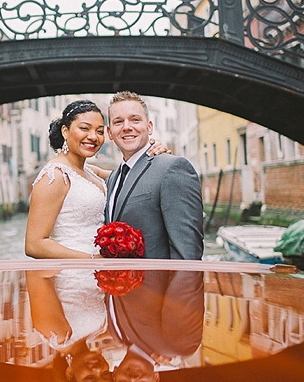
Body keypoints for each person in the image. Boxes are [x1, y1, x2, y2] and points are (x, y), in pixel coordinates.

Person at [25, 100, 170, 259]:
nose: (93, 137)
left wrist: (154, 156)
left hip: (101, 274)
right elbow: (34, 245)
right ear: (65, 131)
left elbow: (133, 176)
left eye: (100, 131)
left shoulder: (91, 172)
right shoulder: (54, 175)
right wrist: (93, 260)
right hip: (74, 274)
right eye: (84, 128)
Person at [105, 91, 204, 260]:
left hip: (157, 285)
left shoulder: (173, 168)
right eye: (118, 122)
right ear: (109, 132)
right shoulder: (112, 178)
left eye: (135, 119)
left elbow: (187, 253)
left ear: (149, 126)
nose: (127, 126)